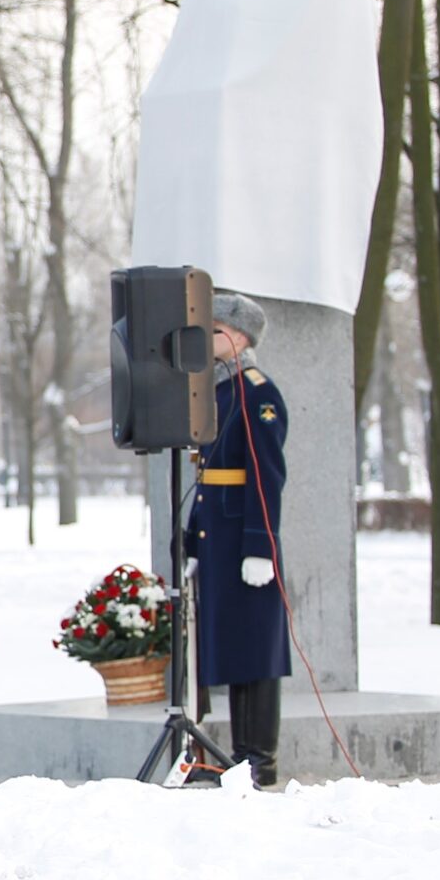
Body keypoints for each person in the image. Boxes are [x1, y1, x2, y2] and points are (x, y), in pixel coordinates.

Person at [188, 290, 289, 787]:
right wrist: (192, 540)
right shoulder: (220, 390)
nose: (208, 338)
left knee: (255, 647)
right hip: (218, 536)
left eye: (217, 330)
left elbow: (266, 475)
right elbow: (205, 475)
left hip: (244, 538)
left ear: (241, 337)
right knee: (232, 643)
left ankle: (259, 757)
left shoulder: (256, 392)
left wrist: (259, 545)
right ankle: (239, 754)